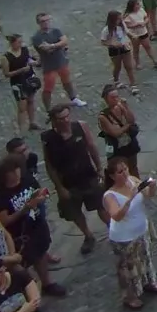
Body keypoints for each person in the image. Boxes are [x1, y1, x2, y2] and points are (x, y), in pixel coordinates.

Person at [39, 104, 106, 255]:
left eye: (67, 116)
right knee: (74, 211)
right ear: (54, 121)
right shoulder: (47, 138)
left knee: (101, 204)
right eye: (61, 119)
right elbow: (50, 165)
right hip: (67, 182)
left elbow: (91, 147)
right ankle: (88, 235)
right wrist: (59, 187)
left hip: (88, 175)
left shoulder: (80, 127)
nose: (65, 120)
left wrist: (100, 169)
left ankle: (112, 228)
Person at [102, 155, 157, 308]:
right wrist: (130, 197)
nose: (124, 174)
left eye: (125, 169)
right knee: (127, 268)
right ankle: (129, 297)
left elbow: (147, 195)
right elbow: (116, 215)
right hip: (124, 237)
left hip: (140, 230)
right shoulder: (110, 195)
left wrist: (152, 186)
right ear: (112, 176)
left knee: (144, 259)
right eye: (120, 172)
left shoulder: (133, 181)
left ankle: (148, 283)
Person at [31, 13, 85, 112]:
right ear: (38, 23)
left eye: (48, 20)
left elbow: (64, 41)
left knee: (67, 82)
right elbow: (46, 49)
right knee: (48, 88)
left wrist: (52, 45)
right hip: (49, 66)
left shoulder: (56, 31)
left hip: (61, 62)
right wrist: (58, 45)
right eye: (43, 21)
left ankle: (74, 98)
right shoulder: (37, 37)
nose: (46, 23)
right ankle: (48, 109)